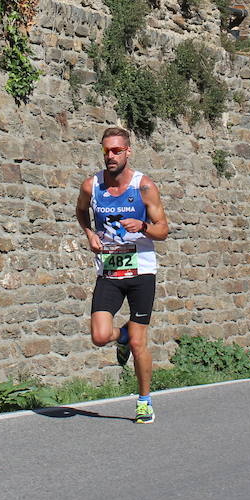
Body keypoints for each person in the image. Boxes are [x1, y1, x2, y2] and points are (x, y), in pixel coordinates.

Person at [75, 126, 170, 424]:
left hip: (141, 270)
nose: (111, 156)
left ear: (128, 152)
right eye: (107, 151)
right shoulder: (92, 186)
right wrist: (89, 233)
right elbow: (80, 212)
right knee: (100, 336)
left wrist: (141, 227)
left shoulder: (144, 187)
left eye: (117, 150)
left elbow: (163, 230)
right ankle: (123, 334)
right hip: (109, 270)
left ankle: (144, 401)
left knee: (140, 344)